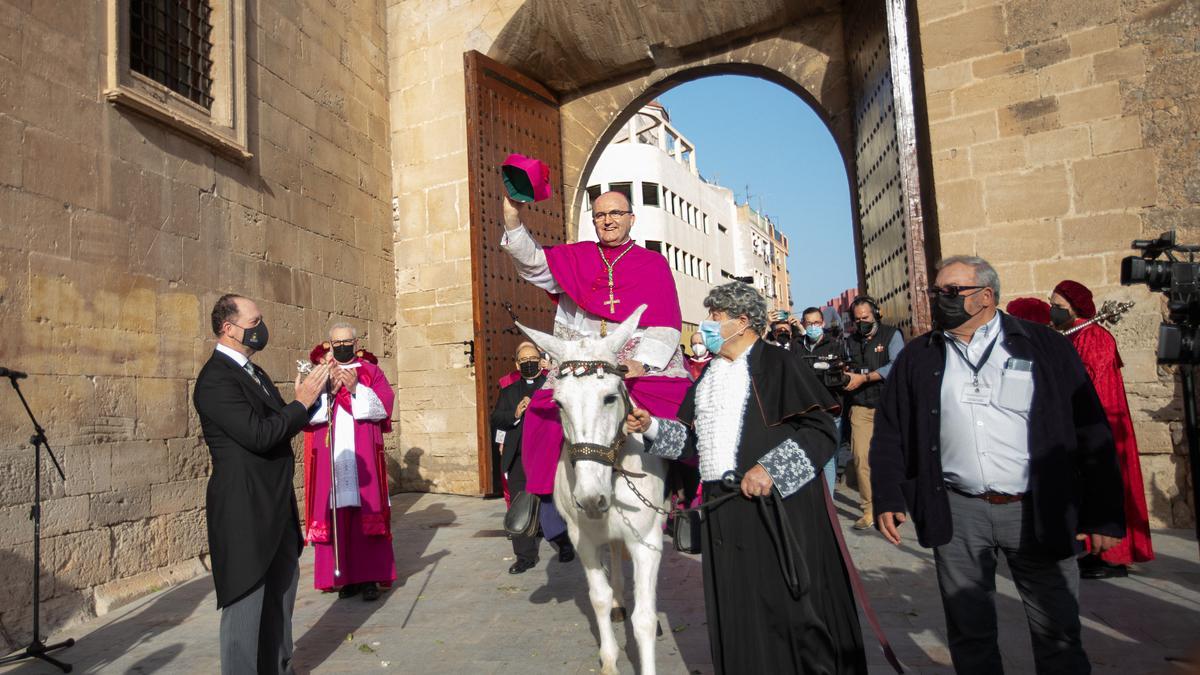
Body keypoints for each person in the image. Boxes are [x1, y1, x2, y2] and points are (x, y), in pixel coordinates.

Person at [870, 256, 1125, 674]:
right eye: (938, 291)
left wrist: (1103, 515)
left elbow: (1090, 430)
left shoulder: (1045, 346)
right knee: (970, 633)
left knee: (1057, 631)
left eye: (952, 291)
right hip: (958, 510)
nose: (941, 299)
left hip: (1036, 508)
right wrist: (888, 495)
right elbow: (891, 431)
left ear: (986, 296)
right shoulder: (919, 356)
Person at [626, 282, 866, 674]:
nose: (705, 326)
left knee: (786, 607)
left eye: (714, 318)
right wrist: (651, 426)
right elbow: (691, 443)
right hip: (724, 510)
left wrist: (770, 469)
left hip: (777, 510)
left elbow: (821, 430)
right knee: (737, 603)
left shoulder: (778, 363)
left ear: (741, 322)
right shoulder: (707, 377)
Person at [499, 190, 692, 525]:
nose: (608, 220)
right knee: (540, 414)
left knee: (679, 402)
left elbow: (665, 322)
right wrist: (513, 220)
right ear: (594, 221)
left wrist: (642, 363)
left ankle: (685, 495)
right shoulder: (578, 257)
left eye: (616, 213)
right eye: (601, 215)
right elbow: (533, 262)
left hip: (634, 353)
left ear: (631, 218)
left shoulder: (653, 263)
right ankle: (537, 501)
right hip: (580, 353)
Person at [193, 294, 331, 674]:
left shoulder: (255, 373)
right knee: (246, 606)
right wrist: (299, 403)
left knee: (281, 597)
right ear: (229, 328)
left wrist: (314, 398)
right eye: (254, 322)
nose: (261, 328)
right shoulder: (215, 380)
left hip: (275, 505)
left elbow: (283, 423)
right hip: (244, 508)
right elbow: (259, 435)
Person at [1051, 279, 1154, 578]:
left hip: (1101, 422)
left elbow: (1087, 378)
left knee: (1106, 486)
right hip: (1081, 424)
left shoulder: (1094, 336)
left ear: (1075, 307)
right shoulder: (1073, 334)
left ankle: (1113, 556)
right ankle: (1093, 550)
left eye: (1058, 306)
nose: (1053, 310)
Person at [302, 323, 397, 601]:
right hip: (332, 452)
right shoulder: (321, 373)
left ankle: (368, 579)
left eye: (347, 342)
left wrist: (356, 388)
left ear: (356, 343)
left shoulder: (371, 372)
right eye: (337, 342)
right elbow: (307, 412)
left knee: (365, 511)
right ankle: (344, 578)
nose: (342, 346)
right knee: (337, 513)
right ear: (329, 345)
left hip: (363, 452)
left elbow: (384, 405)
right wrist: (326, 392)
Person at [490, 342, 563, 573]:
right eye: (524, 360)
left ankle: (565, 543)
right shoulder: (509, 391)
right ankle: (525, 556)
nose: (529, 363)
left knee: (554, 501)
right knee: (521, 505)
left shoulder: (551, 385)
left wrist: (553, 371)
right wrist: (516, 413)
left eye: (533, 358)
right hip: (519, 455)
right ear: (517, 364)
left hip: (547, 454)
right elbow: (496, 418)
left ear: (541, 359)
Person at [843, 296, 904, 529]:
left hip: (888, 406)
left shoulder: (891, 335)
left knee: (893, 457)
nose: (861, 323)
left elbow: (896, 364)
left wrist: (866, 377)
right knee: (860, 458)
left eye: (866, 318)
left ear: (876, 314)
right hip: (860, 406)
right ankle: (869, 509)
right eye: (857, 319)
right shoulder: (850, 341)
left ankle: (895, 503)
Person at [797, 306, 846, 492]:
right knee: (806, 457)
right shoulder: (796, 346)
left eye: (816, 323)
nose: (813, 327)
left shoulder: (836, 345)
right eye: (809, 323)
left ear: (823, 323)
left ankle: (829, 504)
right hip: (805, 412)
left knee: (828, 459)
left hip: (831, 410)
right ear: (803, 324)